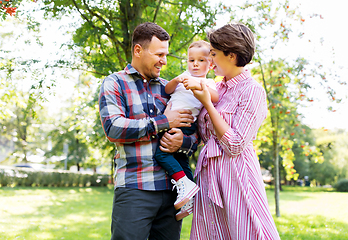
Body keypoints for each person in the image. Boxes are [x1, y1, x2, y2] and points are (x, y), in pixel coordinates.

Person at [98, 22, 197, 240]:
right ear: (138, 50)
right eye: (159, 54)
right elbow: (113, 128)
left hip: (171, 191)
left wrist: (182, 142)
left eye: (166, 54)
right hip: (135, 189)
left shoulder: (169, 88)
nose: (164, 60)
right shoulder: (115, 83)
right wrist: (163, 121)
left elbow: (195, 135)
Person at [188, 23, 281, 239]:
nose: (209, 61)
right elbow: (205, 134)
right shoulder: (216, 88)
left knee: (246, 231)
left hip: (236, 176)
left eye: (214, 54)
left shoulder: (252, 91)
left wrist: (208, 106)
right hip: (209, 175)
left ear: (231, 55)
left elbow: (236, 144)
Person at [154, 40, 219, 220]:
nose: (195, 64)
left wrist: (198, 85)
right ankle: (189, 196)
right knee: (181, 160)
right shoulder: (183, 76)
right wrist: (176, 80)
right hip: (171, 121)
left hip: (185, 124)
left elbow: (215, 97)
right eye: (191, 60)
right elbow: (167, 90)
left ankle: (184, 183)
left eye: (201, 60)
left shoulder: (208, 82)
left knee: (161, 154)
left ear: (211, 64)